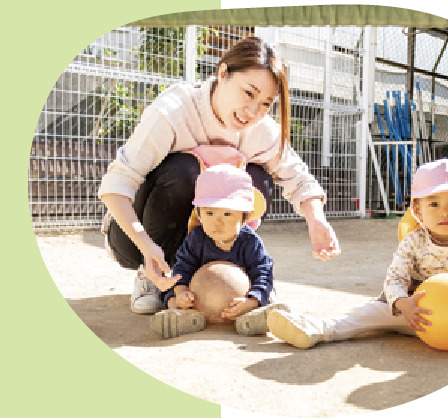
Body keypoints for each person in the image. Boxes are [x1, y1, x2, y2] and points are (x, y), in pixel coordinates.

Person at [98, 36, 341, 314]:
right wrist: (145, 245)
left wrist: (316, 221)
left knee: (256, 180)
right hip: (134, 238)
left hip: (197, 241)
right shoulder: (174, 111)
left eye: (266, 103)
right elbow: (116, 184)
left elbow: (298, 179)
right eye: (249, 93)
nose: (253, 112)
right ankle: (151, 277)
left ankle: (224, 268)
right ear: (223, 72)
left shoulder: (261, 131)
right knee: (185, 170)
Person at [267, 159, 448, 352]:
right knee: (365, 314)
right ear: (417, 209)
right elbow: (395, 279)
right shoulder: (413, 242)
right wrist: (403, 304)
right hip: (415, 314)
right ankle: (318, 329)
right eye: (434, 203)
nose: (445, 212)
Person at [149, 164, 287, 339]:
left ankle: (253, 316)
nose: (217, 222)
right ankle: (181, 314)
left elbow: (262, 271)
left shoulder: (250, 242)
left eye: (227, 215)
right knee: (168, 288)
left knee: (267, 290)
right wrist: (181, 292)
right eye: (209, 213)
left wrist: (252, 301)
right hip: (199, 301)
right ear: (198, 214)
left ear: (246, 216)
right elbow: (183, 267)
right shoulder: (196, 239)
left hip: (240, 301)